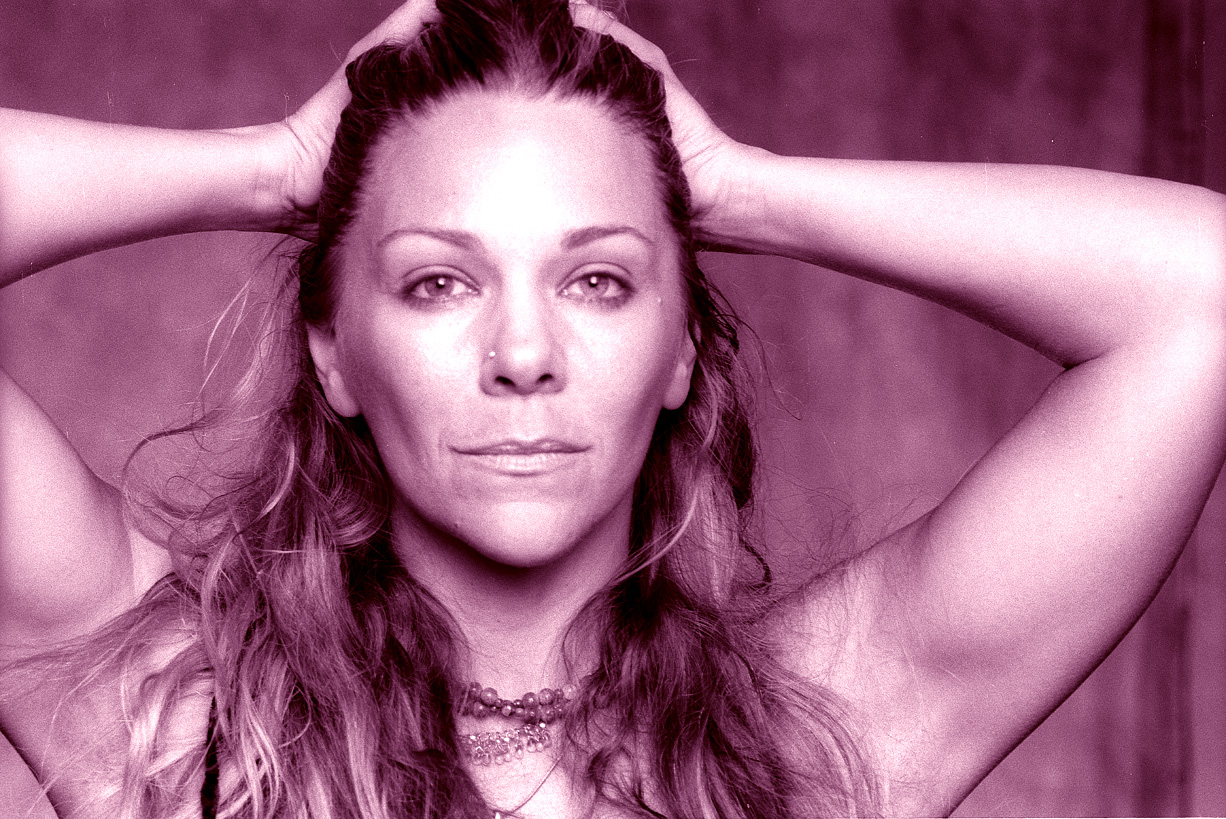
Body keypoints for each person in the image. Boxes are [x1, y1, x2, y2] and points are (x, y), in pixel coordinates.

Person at [1, 0, 1223, 816]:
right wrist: (270, 164)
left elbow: (1199, 292)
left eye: (597, 280)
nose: (523, 354)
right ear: (333, 356)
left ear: (681, 348)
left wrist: (740, 189)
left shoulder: (816, 733)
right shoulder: (171, 713)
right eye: (437, 282)